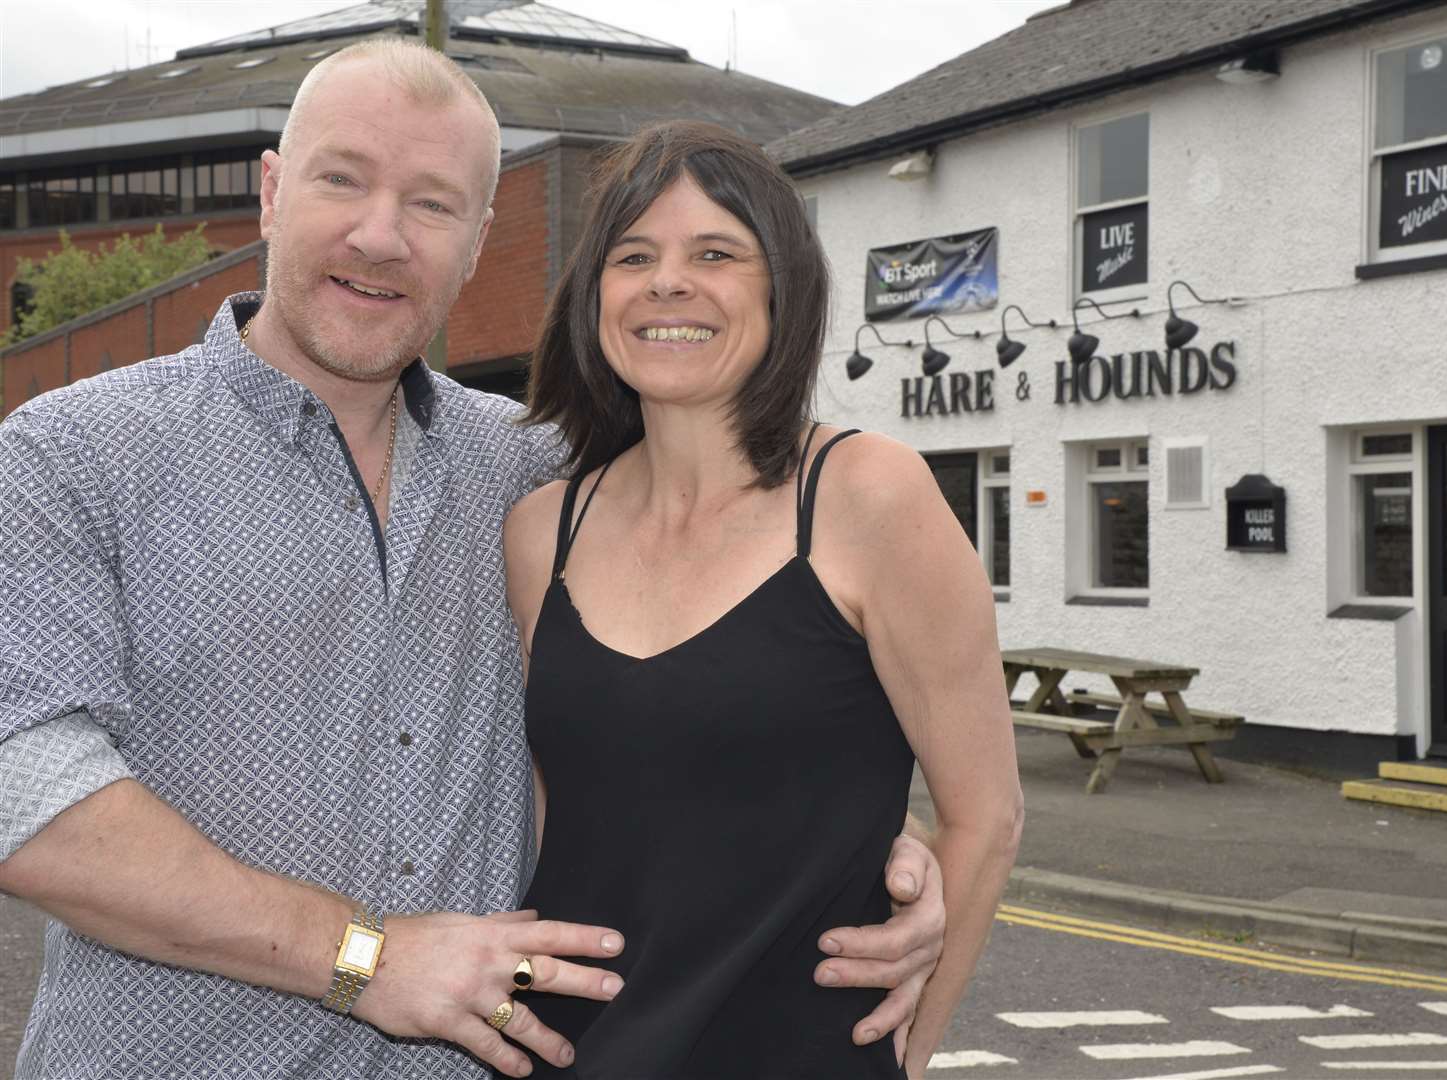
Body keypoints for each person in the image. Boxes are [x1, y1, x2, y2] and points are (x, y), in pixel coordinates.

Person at [0, 41, 946, 1080]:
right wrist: (363, 960)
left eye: (433, 204)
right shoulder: (70, 455)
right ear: (272, 192)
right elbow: (26, 796)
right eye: (342, 179)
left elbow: (733, 664)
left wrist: (865, 850)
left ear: (479, 239)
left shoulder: (540, 474)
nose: (379, 236)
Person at [503, 121, 1024, 1079]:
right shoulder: (544, 530)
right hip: (568, 1053)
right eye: (634, 256)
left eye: (716, 253)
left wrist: (907, 1051)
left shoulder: (870, 496)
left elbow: (986, 816)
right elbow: (559, 815)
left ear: (782, 290)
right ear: (594, 297)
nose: (668, 282)